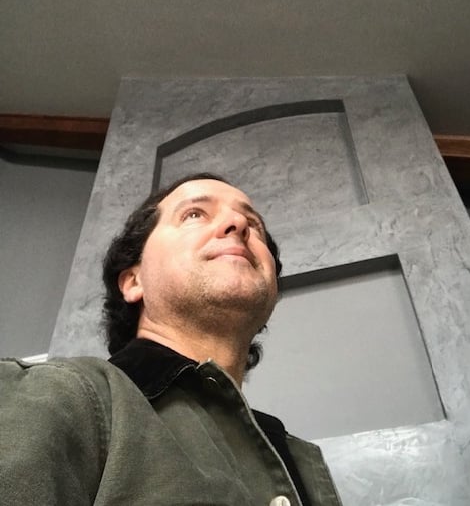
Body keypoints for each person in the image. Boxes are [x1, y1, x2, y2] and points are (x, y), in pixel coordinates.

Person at [1, 173, 341, 505]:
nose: (238, 224)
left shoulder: (298, 459)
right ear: (134, 281)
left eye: (255, 225)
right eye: (194, 214)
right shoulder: (59, 393)